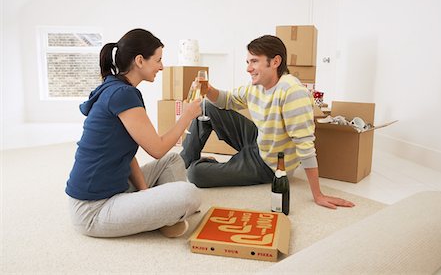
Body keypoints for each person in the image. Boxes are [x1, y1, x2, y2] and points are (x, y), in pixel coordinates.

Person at [180, 35, 355, 209]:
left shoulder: (292, 92)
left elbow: (305, 146)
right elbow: (227, 100)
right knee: (206, 106)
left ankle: (206, 166)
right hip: (259, 138)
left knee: (196, 175)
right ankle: (180, 165)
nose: (249, 68)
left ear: (275, 62)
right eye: (247, 62)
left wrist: (318, 195)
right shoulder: (255, 86)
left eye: (254, 61)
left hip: (269, 163)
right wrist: (208, 89)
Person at [65, 28, 203, 238]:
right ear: (140, 60)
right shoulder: (123, 95)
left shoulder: (116, 88)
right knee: (189, 193)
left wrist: (145, 192)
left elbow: (126, 154)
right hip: (93, 210)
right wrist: (187, 115)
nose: (162, 66)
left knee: (173, 160)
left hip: (115, 187)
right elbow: (157, 149)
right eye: (158, 60)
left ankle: (162, 214)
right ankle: (166, 215)